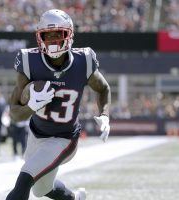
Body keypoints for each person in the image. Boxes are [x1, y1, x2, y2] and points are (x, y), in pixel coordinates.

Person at [6, 9, 111, 200]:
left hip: (64, 138)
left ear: (69, 35)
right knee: (42, 190)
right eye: (48, 35)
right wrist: (32, 106)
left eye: (58, 34)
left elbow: (103, 88)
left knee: (24, 180)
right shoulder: (30, 61)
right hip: (36, 134)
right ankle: (75, 198)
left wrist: (104, 114)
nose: (53, 40)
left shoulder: (83, 61)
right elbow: (14, 114)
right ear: (40, 37)